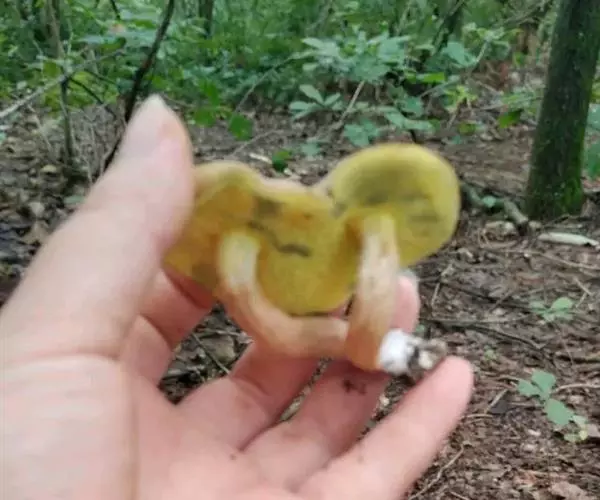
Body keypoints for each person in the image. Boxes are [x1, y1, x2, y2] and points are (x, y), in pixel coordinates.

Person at [0, 95, 473, 500]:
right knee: (314, 336)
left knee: (356, 334)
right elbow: (278, 331)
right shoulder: (228, 230)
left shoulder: (377, 216)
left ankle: (388, 350)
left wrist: (366, 338)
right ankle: (393, 351)